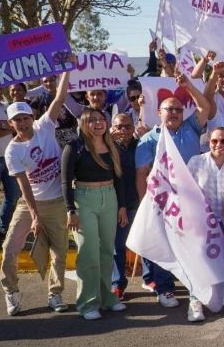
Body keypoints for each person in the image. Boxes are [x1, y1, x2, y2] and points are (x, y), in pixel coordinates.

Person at [0, 65, 71, 316]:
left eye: (25, 117)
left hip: (56, 202)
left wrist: (67, 70)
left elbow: (60, 97)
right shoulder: (12, 151)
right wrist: (34, 216)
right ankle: (11, 292)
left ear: (32, 117)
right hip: (29, 203)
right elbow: (24, 186)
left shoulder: (45, 126)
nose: (22, 122)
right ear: (11, 123)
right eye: (17, 119)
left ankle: (56, 294)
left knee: (60, 250)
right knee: (10, 248)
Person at [135, 73, 211, 308]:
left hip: (191, 199)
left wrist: (188, 87)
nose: (175, 113)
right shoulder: (148, 139)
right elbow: (141, 174)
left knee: (192, 244)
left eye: (178, 110)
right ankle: (165, 289)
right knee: (164, 245)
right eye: (170, 109)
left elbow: (204, 106)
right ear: (160, 112)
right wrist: (143, 204)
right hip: (162, 201)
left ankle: (194, 286)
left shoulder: (191, 128)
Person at [62, 109, 127, 320]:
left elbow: (119, 178)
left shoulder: (112, 146)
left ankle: (107, 298)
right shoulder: (74, 147)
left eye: (101, 119)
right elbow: (65, 182)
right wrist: (70, 210)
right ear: (83, 123)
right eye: (92, 120)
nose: (98, 123)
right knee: (89, 252)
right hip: (84, 199)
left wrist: (122, 206)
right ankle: (88, 303)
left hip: (109, 197)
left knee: (108, 250)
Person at [186, 127, 224, 321]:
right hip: (202, 221)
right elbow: (185, 190)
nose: (218, 145)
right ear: (208, 142)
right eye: (214, 141)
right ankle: (194, 301)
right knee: (199, 263)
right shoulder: (196, 162)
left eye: (223, 141)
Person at [108, 113, 138, 301]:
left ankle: (151, 279)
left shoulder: (141, 145)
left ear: (133, 128)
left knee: (144, 244)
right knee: (118, 246)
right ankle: (118, 284)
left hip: (139, 202)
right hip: (118, 204)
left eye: (127, 126)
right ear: (113, 128)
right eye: (119, 127)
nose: (124, 131)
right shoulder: (107, 148)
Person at [0, 76, 19, 245]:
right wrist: (9, 127)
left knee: (14, 196)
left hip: (10, 160)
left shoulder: (6, 108)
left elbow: (17, 128)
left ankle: (3, 228)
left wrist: (3, 128)